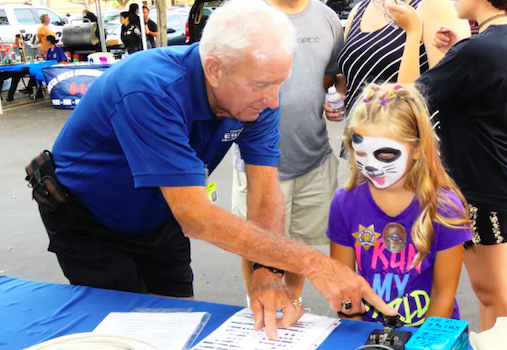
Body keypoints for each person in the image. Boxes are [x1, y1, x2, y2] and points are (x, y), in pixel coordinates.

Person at [30, 0, 396, 340]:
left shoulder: (258, 94)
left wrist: (266, 271)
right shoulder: (148, 89)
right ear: (214, 69)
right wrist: (315, 264)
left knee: (178, 323)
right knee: (126, 332)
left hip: (161, 215)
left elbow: (265, 187)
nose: (273, 100)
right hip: (91, 219)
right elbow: (196, 217)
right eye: (263, 85)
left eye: (279, 82)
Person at [399, 0, 507, 332]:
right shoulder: (477, 52)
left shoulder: (475, 53)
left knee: (496, 299)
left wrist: (414, 32)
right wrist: (454, 55)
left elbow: (404, 103)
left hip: (486, 192)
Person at [327, 83, 471, 327]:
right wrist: (362, 336)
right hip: (368, 333)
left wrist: (422, 345)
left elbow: (442, 296)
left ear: (416, 149)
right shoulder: (344, 202)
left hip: (428, 333)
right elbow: (346, 291)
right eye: (361, 153)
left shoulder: (444, 207)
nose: (371, 165)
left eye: (384, 155)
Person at [231, 0, 344, 304]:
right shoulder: (246, 13)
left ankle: (291, 307)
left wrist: (338, 98)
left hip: (313, 157)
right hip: (259, 162)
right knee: (256, 244)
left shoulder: (327, 17)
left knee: (299, 244)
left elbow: (332, 77)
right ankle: (257, 306)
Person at [324, 0, 471, 123]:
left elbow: (448, 90)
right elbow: (350, 70)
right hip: (361, 142)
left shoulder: (435, 5)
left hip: (407, 146)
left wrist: (413, 32)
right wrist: (339, 92)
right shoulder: (359, 9)